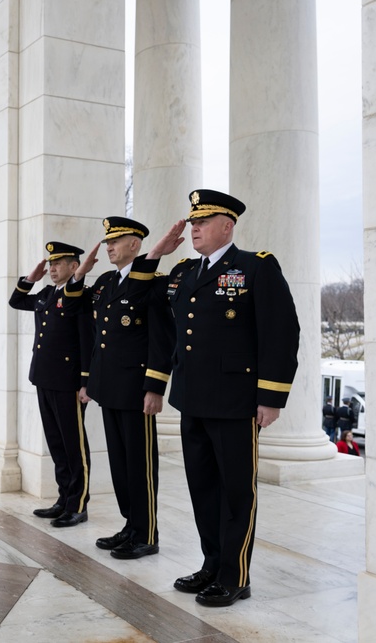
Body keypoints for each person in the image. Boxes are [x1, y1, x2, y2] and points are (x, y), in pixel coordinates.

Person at [147, 189, 300, 607]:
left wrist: (271, 397)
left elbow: (281, 333)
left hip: (235, 401)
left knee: (235, 493)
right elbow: (144, 300)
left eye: (203, 222)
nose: (194, 228)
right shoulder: (182, 272)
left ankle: (235, 576)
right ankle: (212, 565)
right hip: (192, 399)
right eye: (192, 222)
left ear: (227, 226)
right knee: (203, 489)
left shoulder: (255, 267)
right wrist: (157, 252)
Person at [74, 217, 175, 559]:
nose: (108, 247)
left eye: (116, 241)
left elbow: (162, 338)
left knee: (140, 464)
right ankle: (130, 526)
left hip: (136, 389)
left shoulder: (153, 282)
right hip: (108, 388)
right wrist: (80, 273)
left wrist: (155, 386)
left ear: (136, 244)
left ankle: (146, 533)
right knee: (119, 463)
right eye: (107, 242)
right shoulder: (103, 282)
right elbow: (74, 310)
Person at [9, 242, 93, 528]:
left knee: (74, 446)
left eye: (59, 263)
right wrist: (30, 278)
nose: (53, 268)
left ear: (74, 266)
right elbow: (17, 301)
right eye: (51, 264)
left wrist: (85, 382)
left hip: (68, 381)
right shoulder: (45, 293)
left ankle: (77, 505)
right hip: (44, 377)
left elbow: (86, 340)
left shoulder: (79, 296)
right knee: (57, 443)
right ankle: (63, 499)